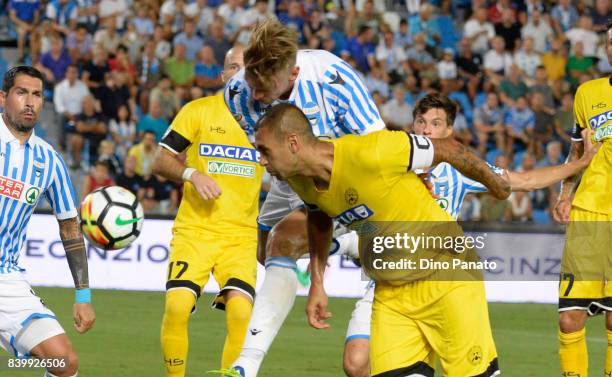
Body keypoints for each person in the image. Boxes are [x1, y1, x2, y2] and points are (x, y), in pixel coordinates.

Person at [341, 93, 600, 377]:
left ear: (448, 131)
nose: (427, 129)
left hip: (442, 281)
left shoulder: (458, 168)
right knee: (356, 364)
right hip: (391, 283)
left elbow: (524, 181)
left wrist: (579, 164)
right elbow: (361, 214)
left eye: (436, 123)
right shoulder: (392, 162)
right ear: (412, 125)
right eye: (421, 121)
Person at [253, 103, 511, 377]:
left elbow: (448, 149)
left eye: (265, 150)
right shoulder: (299, 180)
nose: (261, 160)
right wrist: (317, 283)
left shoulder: (372, 151)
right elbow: (319, 217)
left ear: (293, 143)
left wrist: (498, 185)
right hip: (391, 293)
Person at [223, 19, 384, 377]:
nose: (257, 95)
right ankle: (350, 245)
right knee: (263, 248)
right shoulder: (237, 94)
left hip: (345, 171)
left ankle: (244, 367)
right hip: (289, 170)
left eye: (266, 88)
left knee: (284, 241)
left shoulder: (333, 80)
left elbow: (378, 148)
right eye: (252, 82)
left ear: (293, 72)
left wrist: (318, 279)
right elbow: (271, 155)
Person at [153, 45, 264, 377]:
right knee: (177, 307)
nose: (239, 74)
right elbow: (160, 160)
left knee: (242, 313)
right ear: (222, 75)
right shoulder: (198, 111)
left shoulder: (267, 120)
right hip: (196, 231)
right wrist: (192, 173)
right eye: (232, 67)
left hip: (241, 236)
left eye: (246, 68)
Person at [0, 66, 95, 376]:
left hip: (7, 280)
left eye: (37, 94)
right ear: (3, 97)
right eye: (21, 92)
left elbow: (70, 226)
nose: (30, 102)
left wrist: (82, 296)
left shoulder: (48, 160)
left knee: (64, 363)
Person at [552, 21, 612, 377]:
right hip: (588, 212)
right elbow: (576, 150)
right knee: (570, 318)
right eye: (610, 42)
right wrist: (565, 193)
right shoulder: (587, 93)